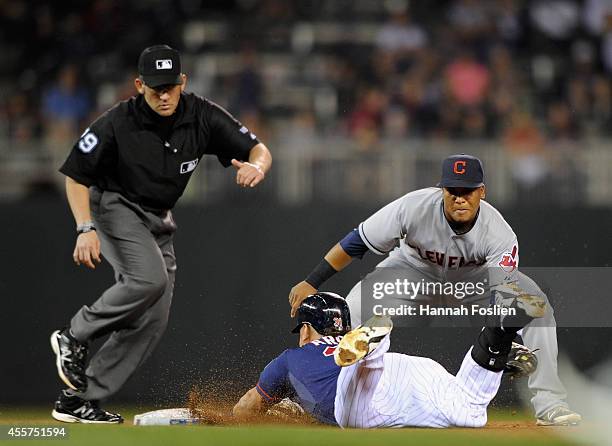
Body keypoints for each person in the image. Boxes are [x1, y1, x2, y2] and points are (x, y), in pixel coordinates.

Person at [50, 44, 272, 424]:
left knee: (154, 318)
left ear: (183, 81)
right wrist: (85, 227)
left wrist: (258, 167)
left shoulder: (201, 115)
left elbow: (258, 148)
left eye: (171, 85)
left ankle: (78, 399)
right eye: (156, 88)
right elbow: (76, 174)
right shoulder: (118, 121)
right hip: (116, 205)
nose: (165, 94)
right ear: (139, 85)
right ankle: (74, 334)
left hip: (159, 218)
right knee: (148, 279)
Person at [288, 154, 581, 426]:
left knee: (537, 306)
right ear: (441, 190)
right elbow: (357, 242)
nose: (459, 198)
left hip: (473, 282)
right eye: (452, 190)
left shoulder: (499, 233)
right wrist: (313, 281)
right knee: (347, 312)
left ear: (482, 191)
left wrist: (510, 339)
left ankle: (549, 404)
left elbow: (503, 292)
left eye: (467, 191)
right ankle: (305, 396)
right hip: (410, 273)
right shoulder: (413, 207)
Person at [232, 292, 538, 428]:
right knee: (468, 409)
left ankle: (373, 344)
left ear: (306, 329)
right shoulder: (336, 345)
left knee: (356, 390)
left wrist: (281, 411)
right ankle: (499, 334)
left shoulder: (290, 359)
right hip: (409, 371)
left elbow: (245, 410)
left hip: (354, 393)